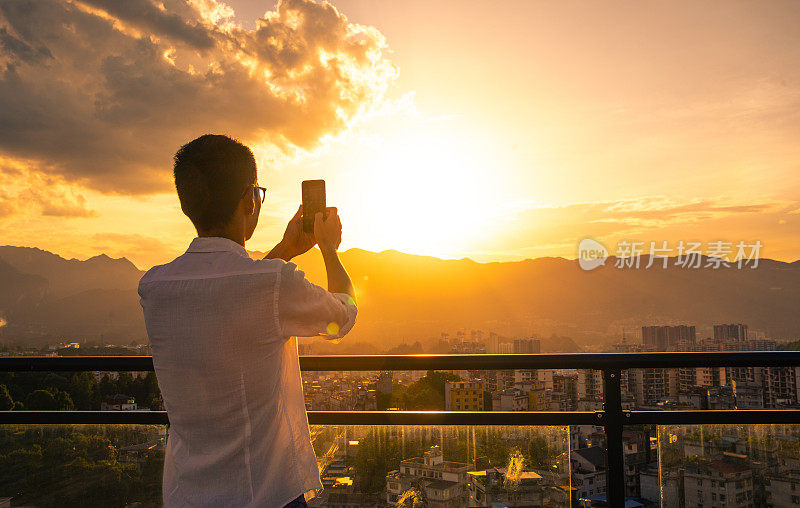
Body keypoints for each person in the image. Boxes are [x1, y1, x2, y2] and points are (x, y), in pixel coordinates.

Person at [137, 134, 357, 507]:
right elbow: (344, 314)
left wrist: (286, 250)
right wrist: (328, 251)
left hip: (186, 495)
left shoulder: (155, 287)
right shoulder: (273, 284)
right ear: (251, 198)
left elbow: (235, 291)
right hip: (264, 492)